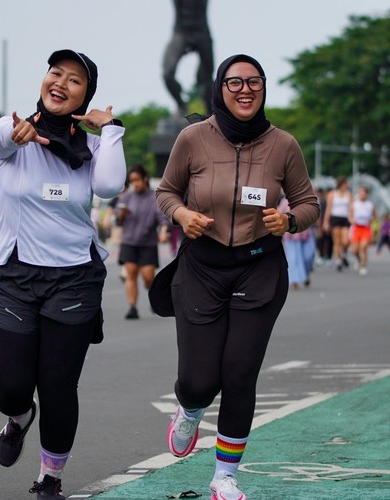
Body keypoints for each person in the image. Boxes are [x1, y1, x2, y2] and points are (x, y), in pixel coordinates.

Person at [154, 54, 319, 499]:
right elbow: (166, 192)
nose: (245, 90)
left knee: (240, 372)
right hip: (202, 267)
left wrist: (289, 221)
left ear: (263, 88)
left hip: (259, 267)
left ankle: (224, 477)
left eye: (254, 81)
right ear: (220, 88)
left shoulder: (283, 144)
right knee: (199, 380)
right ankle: (190, 408)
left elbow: (309, 203)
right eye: (235, 82)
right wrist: (182, 214)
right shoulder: (192, 138)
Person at [0, 49, 126, 499]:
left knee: (59, 386)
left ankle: (49, 478)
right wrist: (17, 131)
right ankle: (19, 416)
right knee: (10, 388)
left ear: (86, 96)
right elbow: (5, 135)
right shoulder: (13, 134)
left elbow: (109, 186)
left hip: (74, 279)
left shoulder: (95, 149)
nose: (61, 82)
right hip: (13, 274)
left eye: (75, 80)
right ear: (44, 80)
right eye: (56, 73)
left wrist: (110, 128)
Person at [116, 164, 169, 319]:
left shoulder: (154, 198)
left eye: (137, 180)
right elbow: (117, 221)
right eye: (132, 181)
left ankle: (153, 296)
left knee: (148, 277)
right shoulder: (127, 197)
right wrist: (122, 215)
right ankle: (132, 307)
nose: (135, 184)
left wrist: (164, 232)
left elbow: (163, 219)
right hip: (129, 242)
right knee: (131, 274)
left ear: (145, 178)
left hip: (148, 243)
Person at [162, 0, 214, 115]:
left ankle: (211, 114)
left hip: (202, 32)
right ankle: (181, 106)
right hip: (181, 32)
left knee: (207, 78)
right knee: (167, 74)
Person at [279, 196, 316, 289]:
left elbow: (314, 213)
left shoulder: (306, 199)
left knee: (308, 256)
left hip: (306, 233)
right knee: (293, 258)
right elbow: (279, 214)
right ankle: (293, 280)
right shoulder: (285, 201)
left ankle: (305, 275)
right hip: (291, 235)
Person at [323, 176, 352, 272]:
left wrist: (352, 217)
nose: (346, 186)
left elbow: (351, 208)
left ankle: (343, 254)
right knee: (337, 241)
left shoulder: (348, 194)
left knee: (346, 241)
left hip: (345, 218)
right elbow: (329, 208)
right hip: (335, 218)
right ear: (341, 184)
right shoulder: (332, 194)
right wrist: (326, 222)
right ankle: (338, 260)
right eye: (345, 184)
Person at [350, 185, 377, 275]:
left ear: (366, 194)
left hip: (366, 228)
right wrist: (352, 220)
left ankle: (363, 266)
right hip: (356, 228)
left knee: (363, 247)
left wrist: (371, 220)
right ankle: (358, 260)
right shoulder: (354, 204)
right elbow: (350, 216)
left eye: (364, 193)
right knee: (355, 251)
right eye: (360, 193)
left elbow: (375, 216)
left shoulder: (370, 205)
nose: (362, 195)